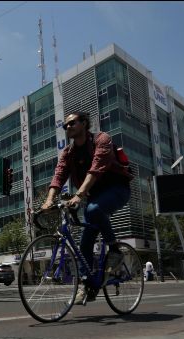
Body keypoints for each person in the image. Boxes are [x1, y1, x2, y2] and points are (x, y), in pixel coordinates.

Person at [40, 111, 132, 305]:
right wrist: (49, 200)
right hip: (94, 196)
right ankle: (87, 285)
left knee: (92, 210)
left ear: (84, 123)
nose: (68, 127)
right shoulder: (68, 153)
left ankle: (115, 250)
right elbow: (58, 176)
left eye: (72, 123)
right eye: (65, 126)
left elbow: (96, 168)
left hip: (117, 189)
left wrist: (79, 195)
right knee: (84, 243)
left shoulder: (101, 139)